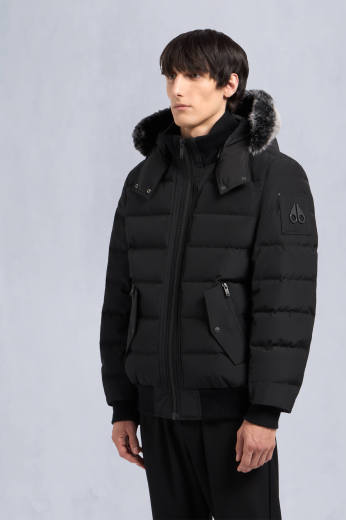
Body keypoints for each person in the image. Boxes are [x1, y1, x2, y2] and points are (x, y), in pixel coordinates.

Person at [99, 28, 318, 519]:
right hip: (157, 410)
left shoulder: (275, 177)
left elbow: (286, 302)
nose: (178, 89)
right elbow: (120, 297)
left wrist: (264, 412)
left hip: (233, 416)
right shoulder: (144, 183)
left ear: (229, 84)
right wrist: (123, 405)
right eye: (170, 76)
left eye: (193, 76)